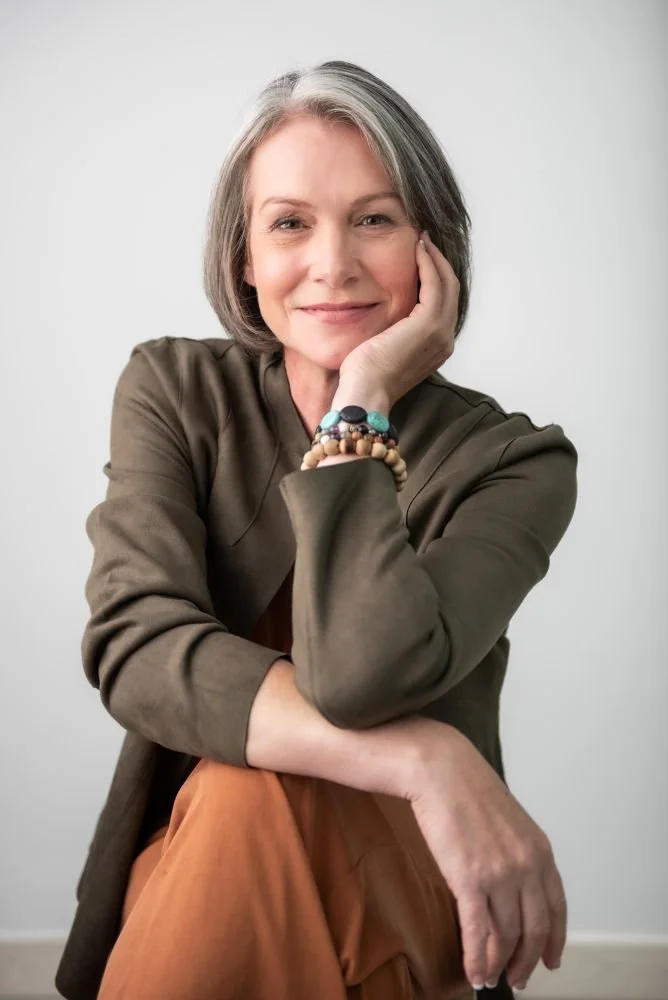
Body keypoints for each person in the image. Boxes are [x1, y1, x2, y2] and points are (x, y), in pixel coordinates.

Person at [55, 59, 578, 1000]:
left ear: (434, 247)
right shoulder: (175, 391)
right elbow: (136, 646)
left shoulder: (514, 462)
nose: (332, 263)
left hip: (410, 872)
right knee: (239, 797)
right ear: (243, 259)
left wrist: (363, 400)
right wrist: (424, 756)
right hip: (206, 857)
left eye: (374, 219)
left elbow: (359, 677)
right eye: (290, 223)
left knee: (242, 789)